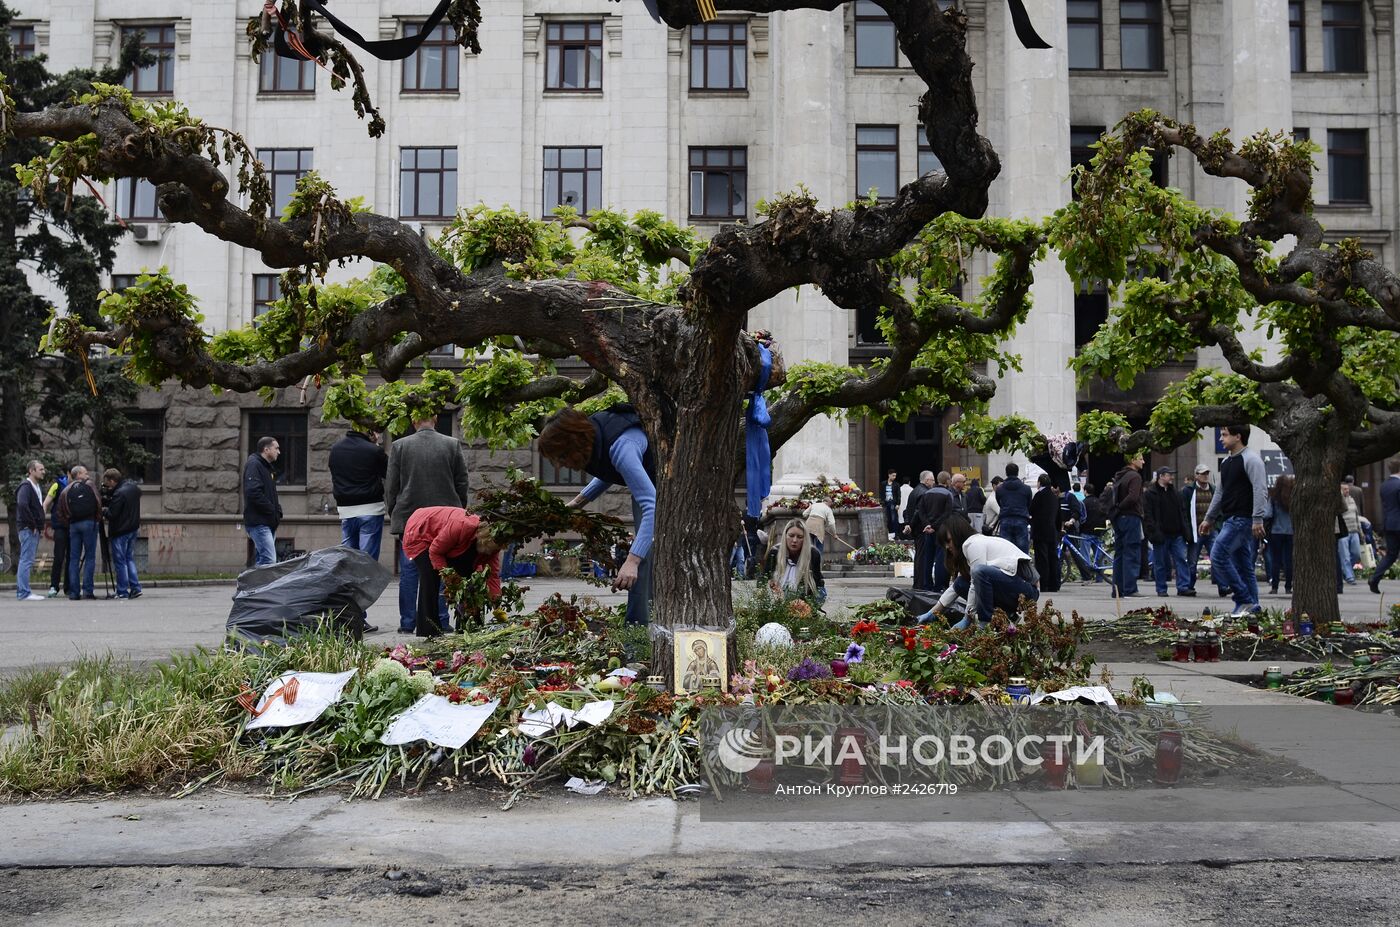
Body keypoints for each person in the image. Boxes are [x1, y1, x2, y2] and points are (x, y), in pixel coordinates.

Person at [538, 404, 656, 625]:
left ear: (573, 443)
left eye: (562, 457)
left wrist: (631, 561)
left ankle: (637, 628)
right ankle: (649, 622)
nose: (562, 465)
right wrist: (577, 503)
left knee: (644, 557)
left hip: (665, 488)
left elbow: (651, 505)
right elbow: (609, 471)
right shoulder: (597, 437)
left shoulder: (622, 447)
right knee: (648, 552)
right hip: (652, 486)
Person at [385, 416, 471, 634]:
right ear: (435, 419)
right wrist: (459, 509)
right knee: (442, 568)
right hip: (446, 518)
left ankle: (408, 622)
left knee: (410, 571)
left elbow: (392, 485)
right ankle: (440, 619)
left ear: (413, 422)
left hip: (410, 519)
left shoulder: (399, 446)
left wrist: (394, 511)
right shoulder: (451, 444)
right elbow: (462, 481)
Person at [916, 514, 1039, 630]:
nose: (947, 547)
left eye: (948, 541)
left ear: (958, 534)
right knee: (960, 583)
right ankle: (1007, 616)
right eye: (944, 544)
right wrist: (933, 612)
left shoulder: (973, 544)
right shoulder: (969, 549)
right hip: (1013, 588)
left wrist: (967, 619)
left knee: (979, 572)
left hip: (1027, 591)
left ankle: (985, 624)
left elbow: (976, 581)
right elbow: (955, 588)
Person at [400, 505, 502, 637]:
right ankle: (429, 630)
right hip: (422, 532)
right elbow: (435, 552)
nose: (489, 553)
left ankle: (468, 627)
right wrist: (450, 579)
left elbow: (492, 575)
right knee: (431, 578)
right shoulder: (462, 526)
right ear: (482, 540)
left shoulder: (494, 545)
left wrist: (497, 606)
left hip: (448, 539)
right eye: (487, 549)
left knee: (470, 581)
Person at [1201, 425, 1268, 617]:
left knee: (1218, 555)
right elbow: (1221, 492)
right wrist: (1209, 518)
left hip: (1242, 519)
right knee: (1243, 565)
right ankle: (1253, 607)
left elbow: (1260, 490)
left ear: (1238, 436)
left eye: (1225, 435)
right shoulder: (1227, 462)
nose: (1221, 439)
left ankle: (1243, 599)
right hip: (1232, 518)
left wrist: (1257, 519)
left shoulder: (1252, 460)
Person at [329, 424, 389, 560]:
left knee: (349, 557)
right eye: (376, 432)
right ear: (368, 431)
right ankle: (366, 582)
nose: (378, 436)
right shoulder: (373, 450)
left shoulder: (335, 449)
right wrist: (377, 448)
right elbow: (389, 472)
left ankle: (351, 582)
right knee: (367, 559)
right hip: (371, 508)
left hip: (345, 509)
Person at [1144, 466, 1192, 597]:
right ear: (1161, 476)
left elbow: (1182, 512)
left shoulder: (1176, 493)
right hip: (1161, 534)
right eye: (1169, 475)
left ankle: (1183, 587)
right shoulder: (1150, 493)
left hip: (1177, 534)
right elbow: (1148, 515)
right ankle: (1161, 589)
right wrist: (1153, 532)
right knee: (1160, 563)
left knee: (1181, 560)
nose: (1171, 477)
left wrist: (1185, 530)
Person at [58, 465, 101, 600]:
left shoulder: (66, 490)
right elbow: (98, 502)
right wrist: (97, 519)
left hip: (73, 525)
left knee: (73, 559)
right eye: (85, 473)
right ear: (78, 475)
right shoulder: (90, 485)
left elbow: (60, 512)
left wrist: (69, 523)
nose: (87, 475)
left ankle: (73, 592)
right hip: (89, 523)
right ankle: (88, 591)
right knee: (90, 557)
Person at [759, 518, 826, 603]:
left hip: (805, 599)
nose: (794, 540)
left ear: (805, 539)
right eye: (791, 536)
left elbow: (817, 584)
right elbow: (763, 579)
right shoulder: (774, 552)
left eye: (800, 537)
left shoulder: (813, 554)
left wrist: (805, 604)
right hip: (777, 599)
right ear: (785, 536)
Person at [102, 468, 143, 600]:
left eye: (108, 484)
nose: (107, 487)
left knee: (120, 562)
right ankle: (135, 588)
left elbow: (112, 514)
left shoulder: (119, 493)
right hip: (133, 528)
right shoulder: (133, 488)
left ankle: (122, 591)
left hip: (120, 531)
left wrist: (104, 510)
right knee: (129, 559)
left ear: (113, 481)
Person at [242, 437, 283, 568]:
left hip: (266, 521)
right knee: (268, 560)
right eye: (276, 448)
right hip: (259, 523)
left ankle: (253, 587)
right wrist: (272, 509)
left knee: (263, 561)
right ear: (266, 450)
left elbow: (270, 494)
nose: (279, 452)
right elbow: (253, 492)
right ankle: (255, 587)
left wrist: (277, 511)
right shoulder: (254, 465)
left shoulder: (265, 467)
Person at [1109, 453, 1145, 598]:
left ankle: (1117, 590)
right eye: (1140, 458)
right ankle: (1130, 588)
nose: (1143, 461)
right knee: (1132, 552)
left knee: (1119, 554)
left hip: (1119, 519)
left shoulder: (1121, 476)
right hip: (1131, 517)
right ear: (1132, 460)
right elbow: (1133, 497)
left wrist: (1117, 510)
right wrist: (1121, 507)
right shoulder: (1135, 476)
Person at [915, 471, 955, 592]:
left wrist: (927, 524)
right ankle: (939, 585)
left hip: (928, 531)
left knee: (928, 558)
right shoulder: (948, 494)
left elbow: (921, 511)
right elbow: (947, 514)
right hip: (941, 530)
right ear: (947, 481)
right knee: (940, 558)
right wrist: (934, 526)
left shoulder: (926, 493)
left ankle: (927, 585)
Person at [14, 460, 47, 601]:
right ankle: (23, 592)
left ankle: (24, 591)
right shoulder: (26, 486)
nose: (43, 471)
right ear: (31, 471)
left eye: (43, 469)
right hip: (28, 529)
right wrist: (33, 524)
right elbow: (22, 505)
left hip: (32, 528)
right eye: (40, 469)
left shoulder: (35, 486)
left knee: (27, 559)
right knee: (26, 560)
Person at [1180, 465, 1215, 594]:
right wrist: (1187, 529)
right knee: (1192, 561)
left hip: (1211, 530)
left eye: (1207, 473)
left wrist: (1216, 525)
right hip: (1196, 531)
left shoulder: (1213, 489)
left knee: (1217, 557)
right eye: (1202, 473)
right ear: (1196, 476)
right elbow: (1184, 511)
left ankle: (1222, 586)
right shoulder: (1188, 491)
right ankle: (1189, 585)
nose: (1205, 476)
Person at [1370, 458, 1400, 594]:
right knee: (1391, 555)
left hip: (1389, 523)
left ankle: (1375, 578)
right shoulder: (1398, 485)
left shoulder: (1384, 485)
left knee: (1390, 555)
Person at [1029, 474, 1062, 593]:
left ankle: (1044, 584)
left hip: (1040, 532)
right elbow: (1059, 517)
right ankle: (1055, 584)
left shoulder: (1039, 495)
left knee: (1042, 559)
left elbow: (1031, 510)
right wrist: (1058, 531)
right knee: (1053, 558)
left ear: (1039, 483)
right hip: (1052, 532)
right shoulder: (1054, 497)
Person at [995, 463, 1033, 553]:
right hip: (1021, 519)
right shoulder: (1026, 488)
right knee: (1022, 551)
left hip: (1005, 519)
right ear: (1017, 472)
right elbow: (1028, 504)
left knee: (1006, 551)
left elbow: (999, 502)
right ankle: (1022, 567)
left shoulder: (999, 489)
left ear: (1006, 473)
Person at [43, 470, 70, 598]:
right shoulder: (57, 485)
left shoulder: (78, 485)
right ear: (69, 473)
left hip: (73, 526)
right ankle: (54, 586)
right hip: (60, 526)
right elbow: (46, 503)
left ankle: (69, 587)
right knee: (59, 557)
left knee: (72, 558)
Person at [1268, 474, 1295, 595]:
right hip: (1290, 532)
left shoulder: (1274, 498)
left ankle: (1274, 587)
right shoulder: (1293, 498)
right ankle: (1288, 586)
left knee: (1276, 560)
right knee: (1289, 559)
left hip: (1276, 531)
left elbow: (1268, 514)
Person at [1338, 481, 1364, 586]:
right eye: (1345, 489)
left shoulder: (1352, 500)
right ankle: (1349, 576)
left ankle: (1345, 570)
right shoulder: (1338, 501)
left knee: (1356, 553)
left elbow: (1357, 516)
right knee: (1345, 556)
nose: (1347, 491)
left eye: (1348, 489)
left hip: (1354, 531)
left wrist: (1360, 531)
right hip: (1344, 532)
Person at [882, 469, 901, 536]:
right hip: (886, 502)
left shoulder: (896, 484)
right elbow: (881, 493)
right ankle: (889, 533)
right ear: (889, 475)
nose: (894, 477)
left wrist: (898, 504)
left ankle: (896, 533)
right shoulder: (884, 483)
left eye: (895, 476)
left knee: (894, 518)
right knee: (887, 518)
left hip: (893, 502)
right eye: (893, 475)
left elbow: (898, 495)